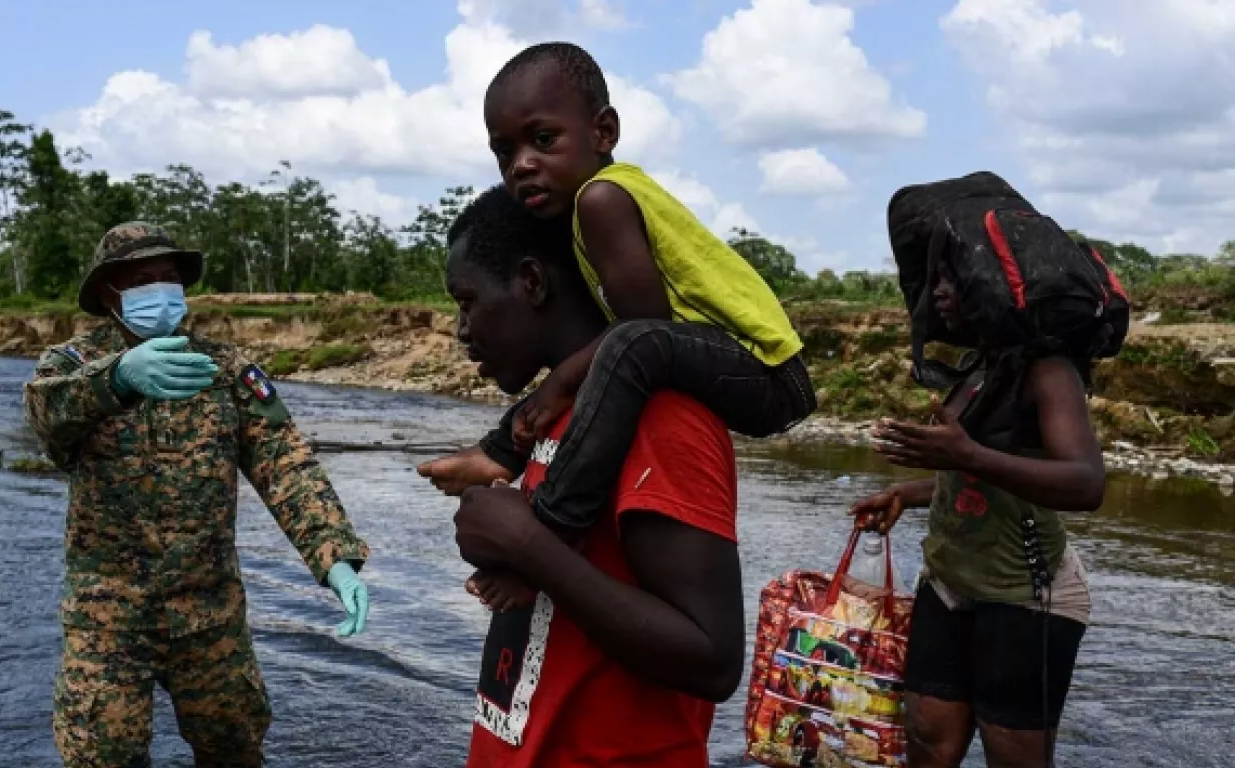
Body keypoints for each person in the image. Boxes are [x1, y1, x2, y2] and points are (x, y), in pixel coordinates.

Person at [419, 40, 816, 604]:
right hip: (725, 360)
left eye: (543, 140)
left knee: (624, 354)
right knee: (609, 365)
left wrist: (558, 384)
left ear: (604, 133)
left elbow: (642, 328)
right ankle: (502, 452)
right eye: (504, 153)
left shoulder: (601, 199)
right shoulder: (595, 206)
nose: (522, 165)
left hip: (768, 371)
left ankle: (551, 531)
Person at [24, 222, 372, 768]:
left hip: (209, 611)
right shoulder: (70, 366)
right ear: (110, 291)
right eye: (144, 279)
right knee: (101, 756)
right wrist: (115, 379)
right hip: (108, 617)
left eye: (170, 278)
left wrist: (335, 559)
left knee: (234, 747)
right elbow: (47, 417)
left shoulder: (225, 368)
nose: (161, 291)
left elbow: (286, 464)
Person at [442, 186, 746, 767]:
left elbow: (713, 659)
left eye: (468, 300)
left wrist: (526, 546)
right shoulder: (557, 414)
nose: (461, 329)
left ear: (532, 283)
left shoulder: (661, 418)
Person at [850, 259, 1103, 768]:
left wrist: (966, 455)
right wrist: (911, 490)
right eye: (936, 279)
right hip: (948, 580)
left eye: (954, 281)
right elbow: (973, 478)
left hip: (1026, 593)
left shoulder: (1048, 371)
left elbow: (1085, 482)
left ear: (997, 290)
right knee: (926, 739)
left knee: (1014, 757)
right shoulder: (974, 367)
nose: (939, 293)